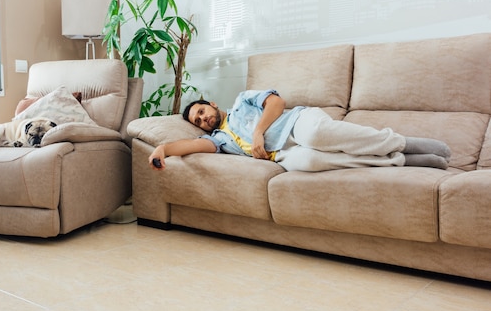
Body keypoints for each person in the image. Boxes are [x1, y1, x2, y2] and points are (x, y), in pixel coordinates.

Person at [148, 89, 451, 172]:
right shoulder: (220, 140)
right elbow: (190, 145)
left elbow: (277, 102)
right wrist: (163, 150)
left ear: (212, 104)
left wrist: (257, 134)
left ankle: (401, 142)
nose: (203, 120)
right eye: (198, 121)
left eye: (202, 112)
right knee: (307, 163)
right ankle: (398, 160)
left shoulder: (242, 100)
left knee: (317, 137)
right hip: (284, 154)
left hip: (298, 123)